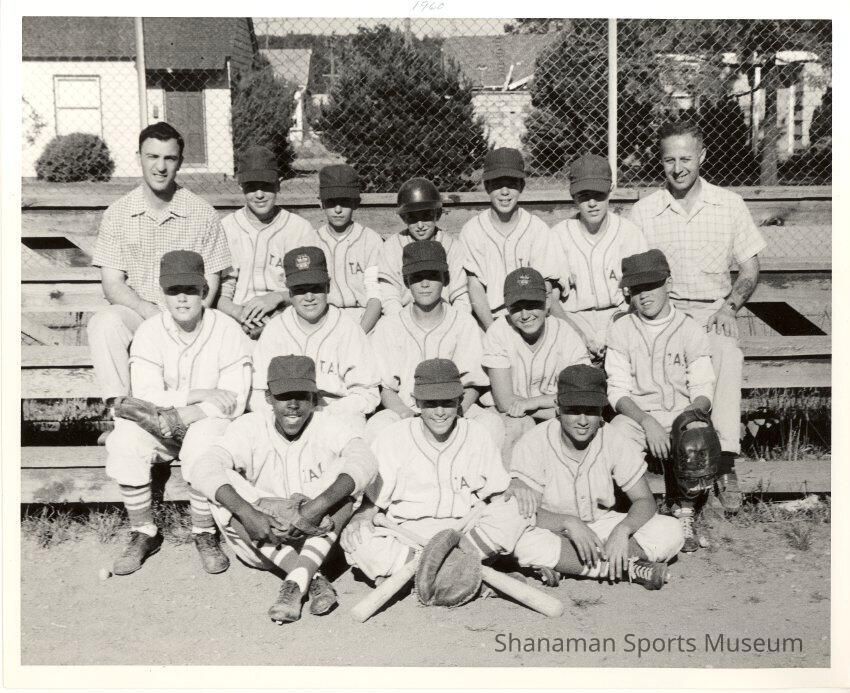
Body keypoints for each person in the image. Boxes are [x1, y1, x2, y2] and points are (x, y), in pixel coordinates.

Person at [629, 120, 767, 512]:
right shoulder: (644, 211)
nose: (678, 168)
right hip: (665, 312)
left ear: (702, 156)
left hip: (711, 311)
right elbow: (634, 276)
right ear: (661, 161)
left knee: (726, 351)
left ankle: (723, 460)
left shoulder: (728, 204)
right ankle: (672, 459)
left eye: (686, 158)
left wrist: (729, 307)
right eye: (669, 160)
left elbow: (750, 267)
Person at [185, 355, 378, 623]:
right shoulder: (250, 425)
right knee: (219, 479)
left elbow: (366, 460)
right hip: (261, 538)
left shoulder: (329, 423)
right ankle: (310, 577)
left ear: (314, 398)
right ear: (268, 398)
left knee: (348, 474)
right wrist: (247, 512)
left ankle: (296, 582)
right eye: (284, 396)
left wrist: (317, 506)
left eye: (301, 396)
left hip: (319, 537)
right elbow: (203, 467)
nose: (293, 405)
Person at [105, 251, 251, 576]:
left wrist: (189, 412)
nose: (182, 298)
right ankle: (144, 532)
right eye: (173, 290)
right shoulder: (150, 330)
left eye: (190, 289)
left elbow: (234, 398)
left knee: (203, 443)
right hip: (162, 421)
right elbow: (146, 395)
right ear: (162, 293)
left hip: (209, 421)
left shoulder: (227, 329)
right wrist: (198, 394)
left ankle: (204, 532)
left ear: (204, 291)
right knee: (125, 439)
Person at [341, 359, 534, 583]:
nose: (440, 412)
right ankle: (461, 573)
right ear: (416, 402)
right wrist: (361, 518)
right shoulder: (392, 437)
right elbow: (372, 504)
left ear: (460, 400)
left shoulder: (477, 434)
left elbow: (497, 493)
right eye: (431, 403)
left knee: (517, 510)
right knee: (357, 541)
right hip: (407, 535)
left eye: (447, 402)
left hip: (465, 533)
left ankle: (423, 575)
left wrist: (514, 490)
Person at [88, 122, 231, 406]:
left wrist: (183, 317)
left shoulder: (202, 213)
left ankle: (189, 415)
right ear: (138, 157)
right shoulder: (118, 213)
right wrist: (149, 312)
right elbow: (112, 284)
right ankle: (123, 410)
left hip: (189, 316)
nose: (161, 167)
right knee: (105, 322)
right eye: (152, 156)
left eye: (169, 158)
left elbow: (211, 283)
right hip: (140, 315)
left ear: (180, 162)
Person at [507, 365, 685, 589]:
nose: (583, 420)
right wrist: (568, 522)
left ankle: (569, 564)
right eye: (573, 410)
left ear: (601, 411)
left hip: (602, 526)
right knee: (523, 543)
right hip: (554, 529)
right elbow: (528, 512)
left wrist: (623, 530)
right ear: (557, 407)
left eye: (591, 410)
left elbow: (644, 500)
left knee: (671, 530)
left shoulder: (611, 436)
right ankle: (628, 568)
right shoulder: (534, 441)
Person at [604, 249, 716, 552]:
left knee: (696, 432)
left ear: (668, 283)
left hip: (681, 411)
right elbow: (618, 391)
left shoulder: (689, 328)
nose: (644, 295)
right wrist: (646, 421)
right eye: (636, 289)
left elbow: (703, 388)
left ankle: (684, 511)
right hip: (638, 415)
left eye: (651, 285)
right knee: (615, 433)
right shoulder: (621, 328)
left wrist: (687, 418)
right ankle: (636, 509)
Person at [366, 241, 503, 445]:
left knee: (491, 424)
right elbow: (386, 389)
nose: (425, 284)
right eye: (417, 277)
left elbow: (473, 384)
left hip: (454, 409)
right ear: (406, 282)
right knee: (377, 426)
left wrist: (456, 413)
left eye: (432, 275)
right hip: (407, 409)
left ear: (445, 279)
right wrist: (404, 414)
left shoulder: (464, 322)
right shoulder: (390, 325)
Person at [250, 246, 380, 421]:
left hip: (337, 413)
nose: (309, 297)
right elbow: (257, 391)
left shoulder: (348, 328)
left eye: (316, 287)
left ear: (328, 286)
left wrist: (324, 414)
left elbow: (367, 394)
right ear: (289, 291)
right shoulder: (275, 329)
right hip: (285, 415)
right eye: (300, 289)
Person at [482, 267, 589, 462]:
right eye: (516, 307)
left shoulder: (564, 332)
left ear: (547, 302)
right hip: (514, 415)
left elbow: (583, 392)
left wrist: (535, 402)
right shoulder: (499, 331)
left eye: (532, 305)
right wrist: (559, 409)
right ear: (507, 307)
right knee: (519, 425)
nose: (525, 315)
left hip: (553, 412)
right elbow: (505, 402)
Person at [551, 154, 647, 362]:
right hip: (573, 319)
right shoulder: (558, 235)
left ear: (610, 190)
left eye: (599, 194)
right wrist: (578, 334)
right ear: (573, 196)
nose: (592, 203)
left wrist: (615, 331)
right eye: (584, 196)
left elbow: (640, 294)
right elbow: (551, 300)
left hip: (620, 315)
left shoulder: (629, 233)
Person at [459, 148, 567, 330]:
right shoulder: (472, 230)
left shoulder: (537, 228)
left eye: (511, 184)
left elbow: (546, 286)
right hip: (489, 319)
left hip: (531, 318)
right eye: (497, 184)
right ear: (487, 187)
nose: (504, 192)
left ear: (522, 186)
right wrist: (492, 330)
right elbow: (475, 287)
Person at [218, 145, 318, 340]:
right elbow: (221, 292)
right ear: (240, 186)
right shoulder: (226, 227)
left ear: (278, 184)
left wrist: (277, 297)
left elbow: (310, 288)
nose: (259, 194)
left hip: (286, 313)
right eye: (251, 186)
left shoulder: (299, 229)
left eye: (266, 185)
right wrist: (239, 313)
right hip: (236, 316)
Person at [378, 177, 470, 315]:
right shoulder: (391, 247)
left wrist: (456, 323)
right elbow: (389, 298)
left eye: (426, 216)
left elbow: (461, 297)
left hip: (445, 316)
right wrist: (401, 324)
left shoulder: (453, 246)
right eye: (413, 218)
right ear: (403, 218)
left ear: (437, 214)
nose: (420, 225)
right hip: (403, 316)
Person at [313, 164, 384, 333]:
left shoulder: (370, 240)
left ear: (356, 203)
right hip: (324, 317)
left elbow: (376, 296)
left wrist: (359, 334)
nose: (338, 210)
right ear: (321, 203)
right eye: (331, 202)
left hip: (365, 316)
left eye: (344, 202)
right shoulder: (312, 240)